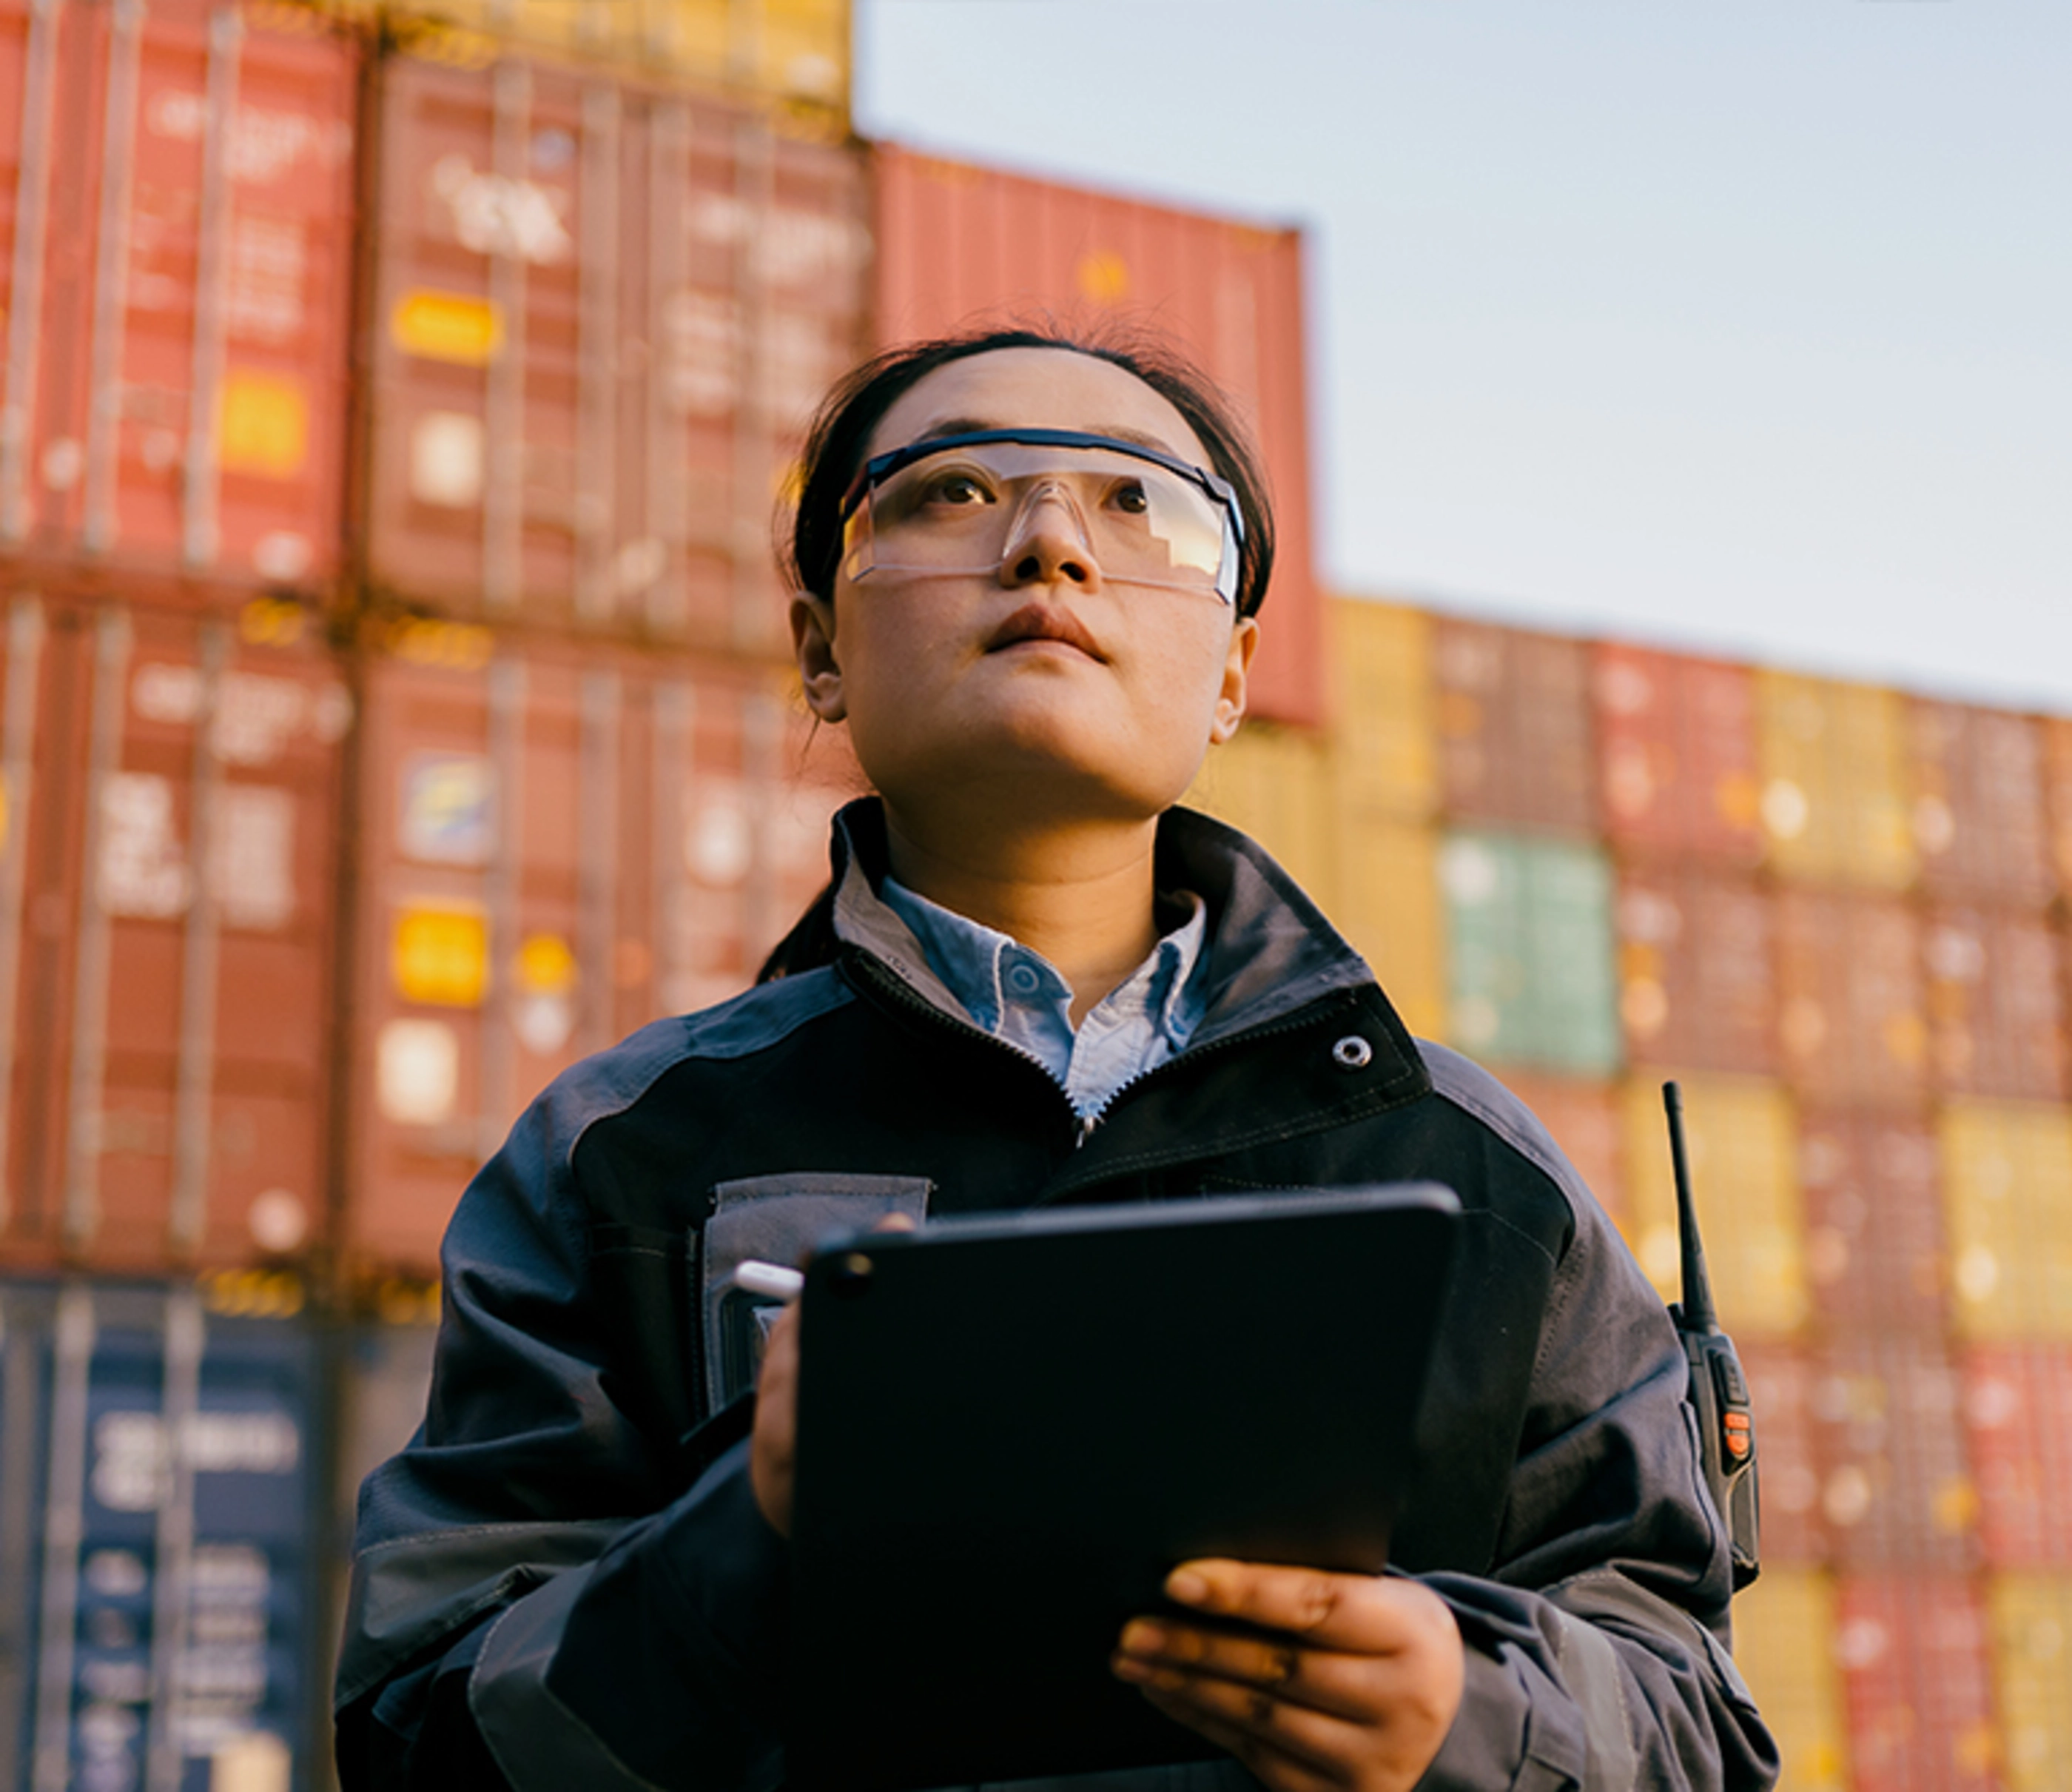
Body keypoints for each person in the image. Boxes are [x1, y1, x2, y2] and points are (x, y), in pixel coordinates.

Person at [334, 326, 1780, 1792]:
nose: (1048, 545)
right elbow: (421, 1742)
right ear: (821, 651)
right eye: (948, 491)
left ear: (1228, 675)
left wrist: (1463, 1713)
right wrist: (750, 1531)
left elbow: (1696, 1724)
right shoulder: (618, 1157)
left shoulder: (1472, 1162)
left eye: (1138, 501)